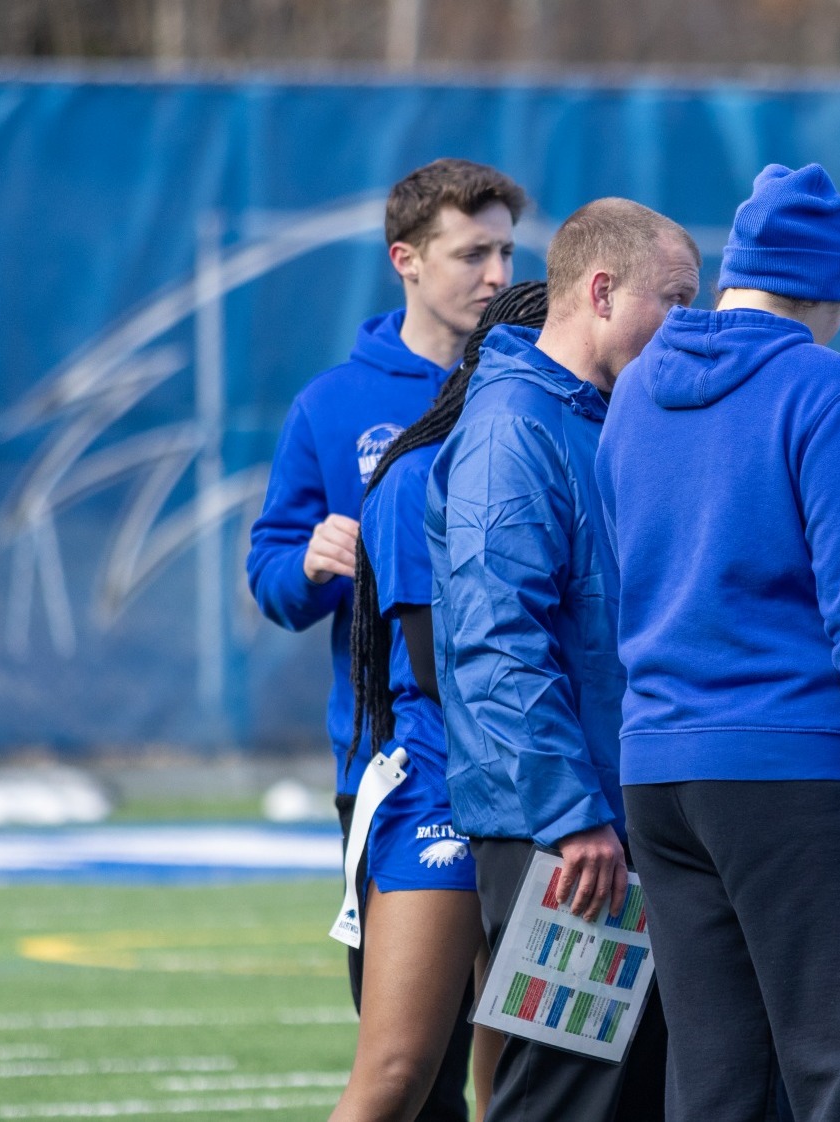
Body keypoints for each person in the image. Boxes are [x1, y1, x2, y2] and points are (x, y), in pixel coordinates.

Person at [600, 163, 840, 1122]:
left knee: (719, 1087)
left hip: (661, 773)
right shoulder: (823, 389)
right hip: (801, 774)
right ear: (832, 292)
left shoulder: (635, 388)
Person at [246, 157, 526, 1122]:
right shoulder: (333, 404)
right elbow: (271, 577)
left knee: (531, 1056)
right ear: (405, 259)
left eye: (506, 251)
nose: (495, 274)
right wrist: (312, 561)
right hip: (403, 771)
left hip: (540, 767)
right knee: (410, 1069)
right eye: (471, 252)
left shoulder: (541, 388)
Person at [429, 199, 700, 1122]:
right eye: (675, 298)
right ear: (601, 290)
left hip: (622, 814)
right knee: (566, 1097)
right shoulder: (514, 429)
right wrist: (570, 814)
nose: (689, 324)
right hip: (562, 830)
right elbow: (495, 643)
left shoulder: (605, 418)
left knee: (632, 1090)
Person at [337, 281, 549, 1122]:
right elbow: (436, 667)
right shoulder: (419, 474)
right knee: (397, 1074)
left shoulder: (567, 452)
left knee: (527, 1068)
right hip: (443, 790)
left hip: (548, 789)